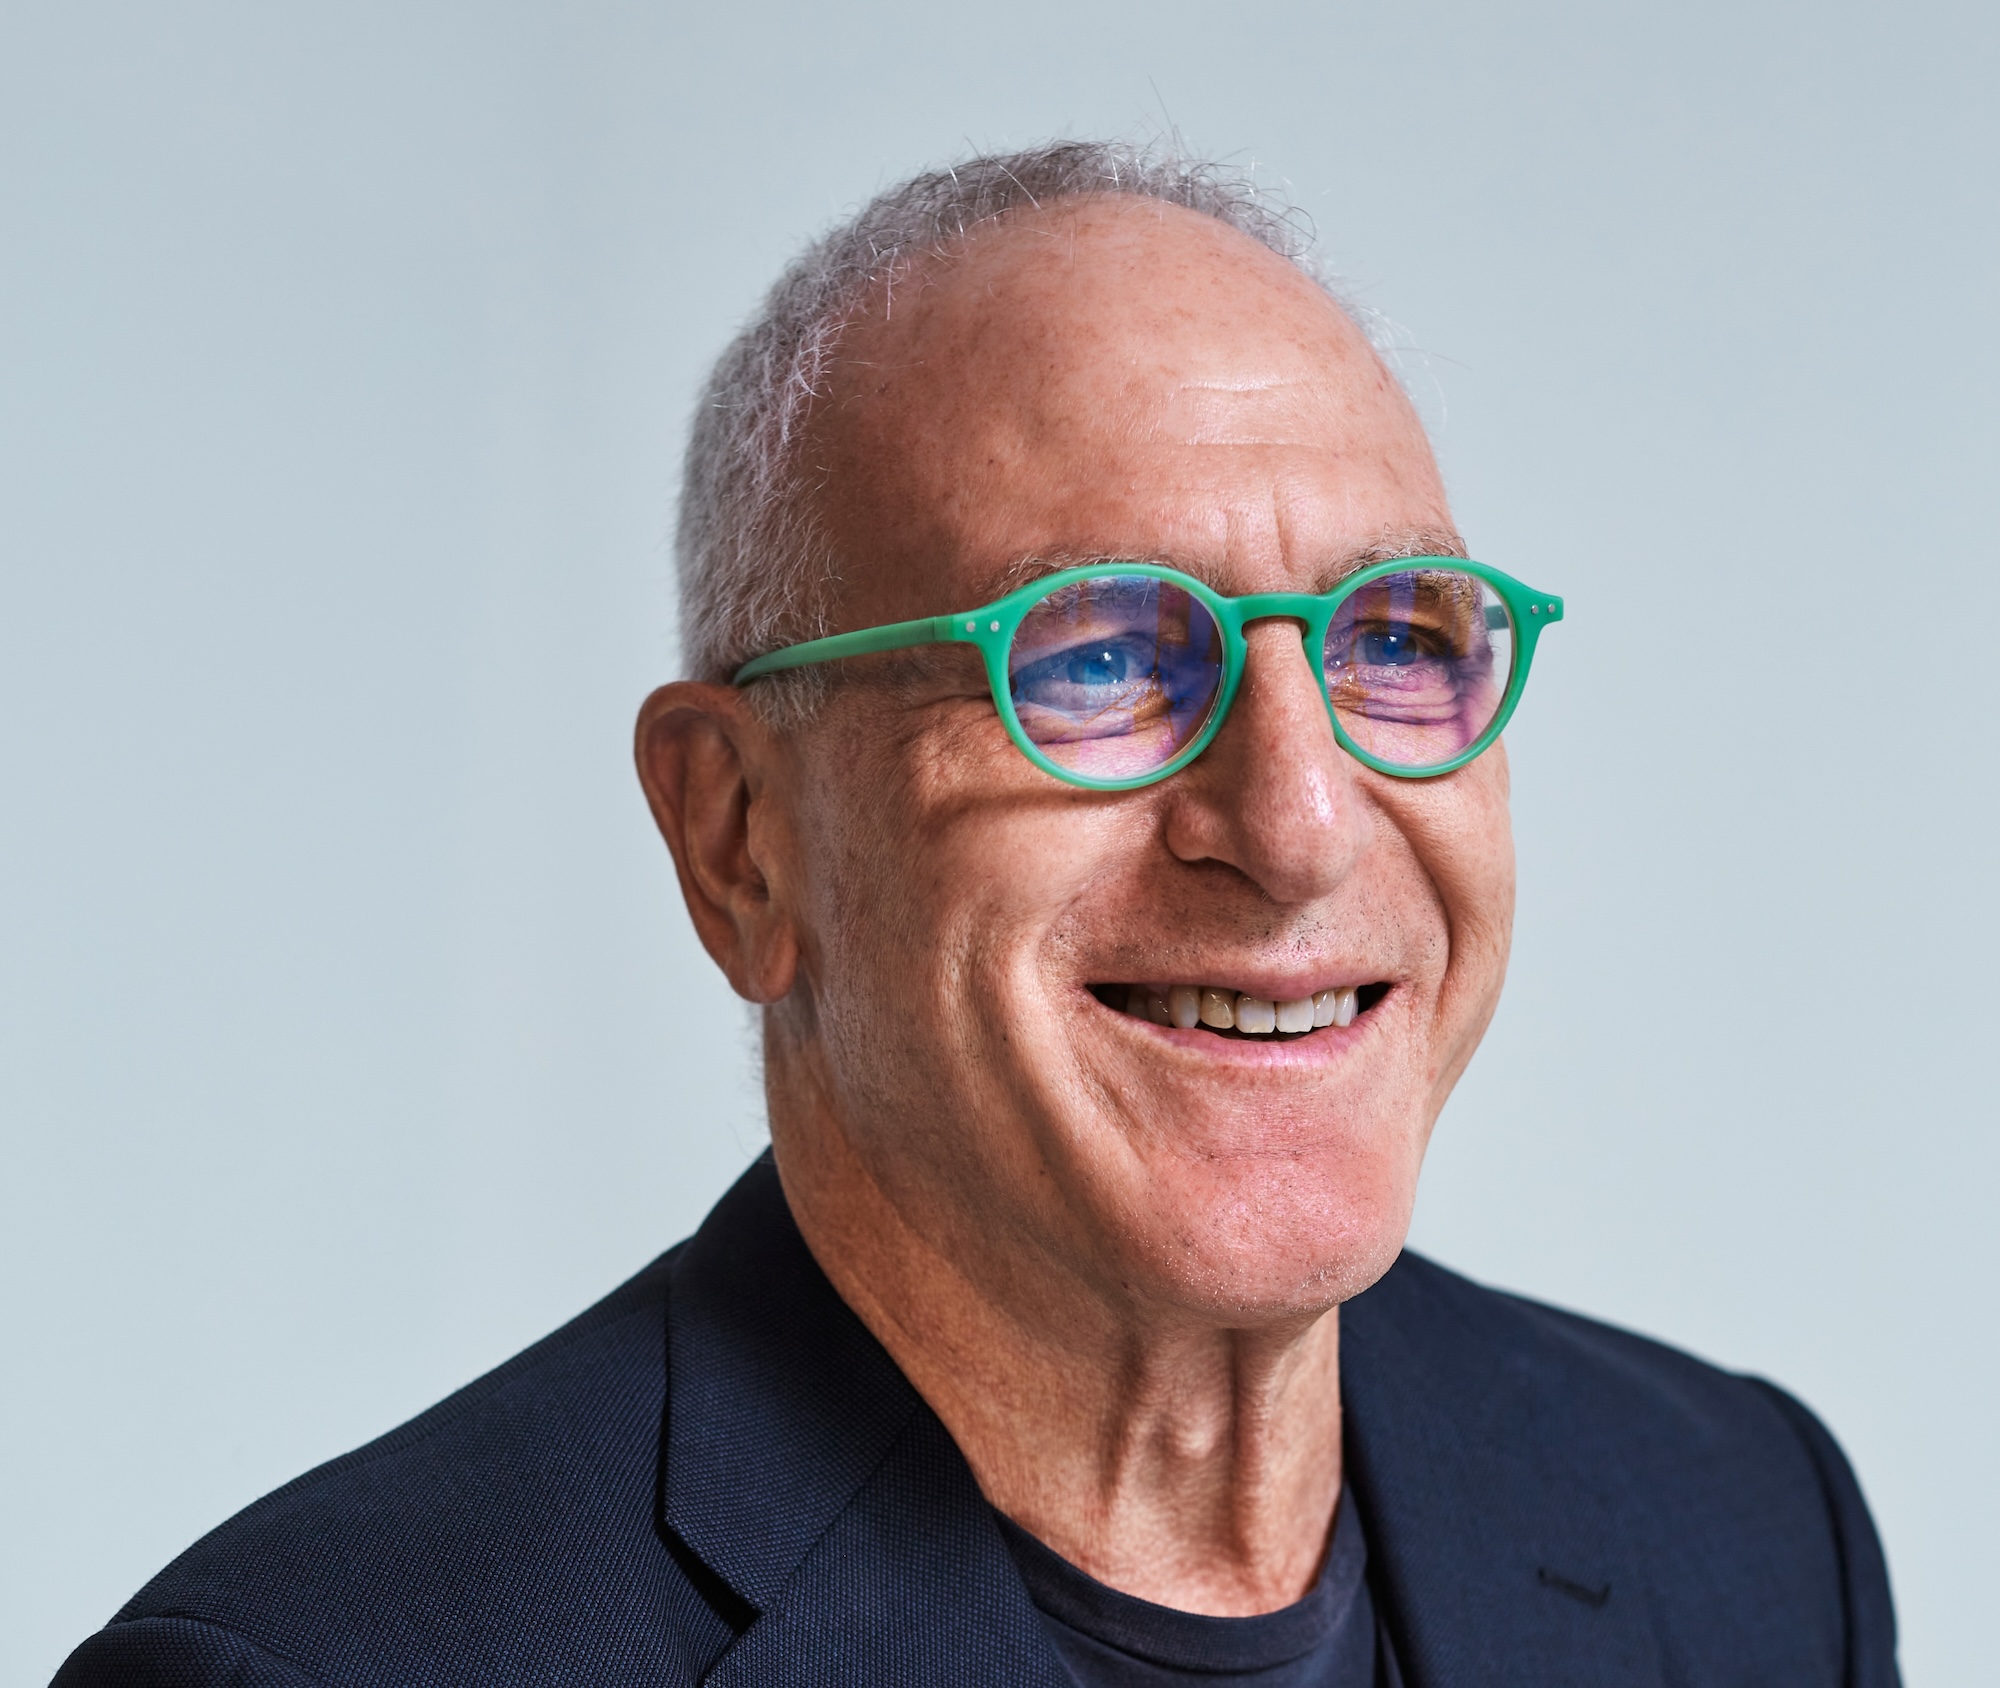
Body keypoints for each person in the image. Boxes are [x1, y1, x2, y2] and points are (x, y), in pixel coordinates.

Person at [54, 141, 1899, 1687]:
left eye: (1394, 642)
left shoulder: (1742, 1529)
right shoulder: (329, 1664)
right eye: (1098, 654)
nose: (1302, 820)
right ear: (741, 840)